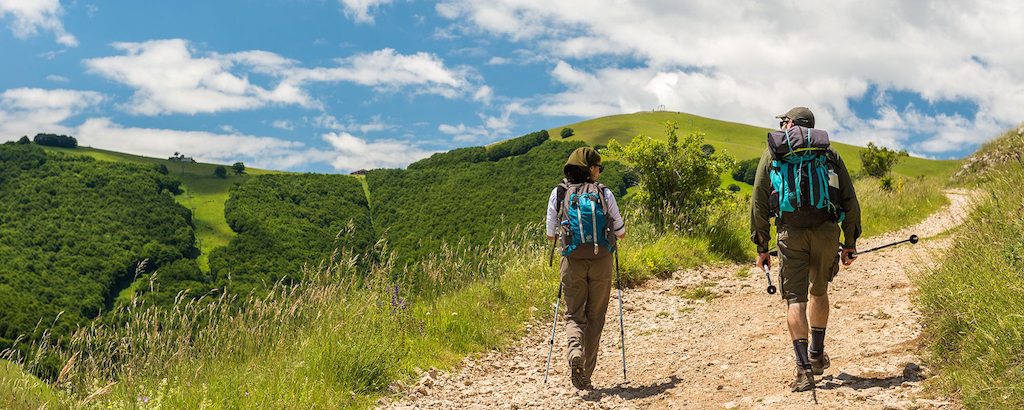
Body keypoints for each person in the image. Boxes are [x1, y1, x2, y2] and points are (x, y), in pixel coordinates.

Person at [750, 107, 862, 392]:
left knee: (795, 300)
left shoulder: (774, 153)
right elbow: (849, 200)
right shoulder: (829, 154)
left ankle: (803, 372)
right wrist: (849, 243)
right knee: (819, 291)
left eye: (783, 121)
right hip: (826, 231)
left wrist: (762, 247)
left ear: (789, 124)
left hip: (790, 234)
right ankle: (816, 355)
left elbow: (759, 204)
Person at [545, 146, 626, 390]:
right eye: (598, 167)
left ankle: (574, 354)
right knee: (595, 318)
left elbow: (551, 235)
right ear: (589, 168)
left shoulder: (559, 193)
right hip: (601, 261)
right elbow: (620, 233)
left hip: (572, 262)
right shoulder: (604, 193)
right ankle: (586, 374)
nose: (599, 172)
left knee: (574, 315)